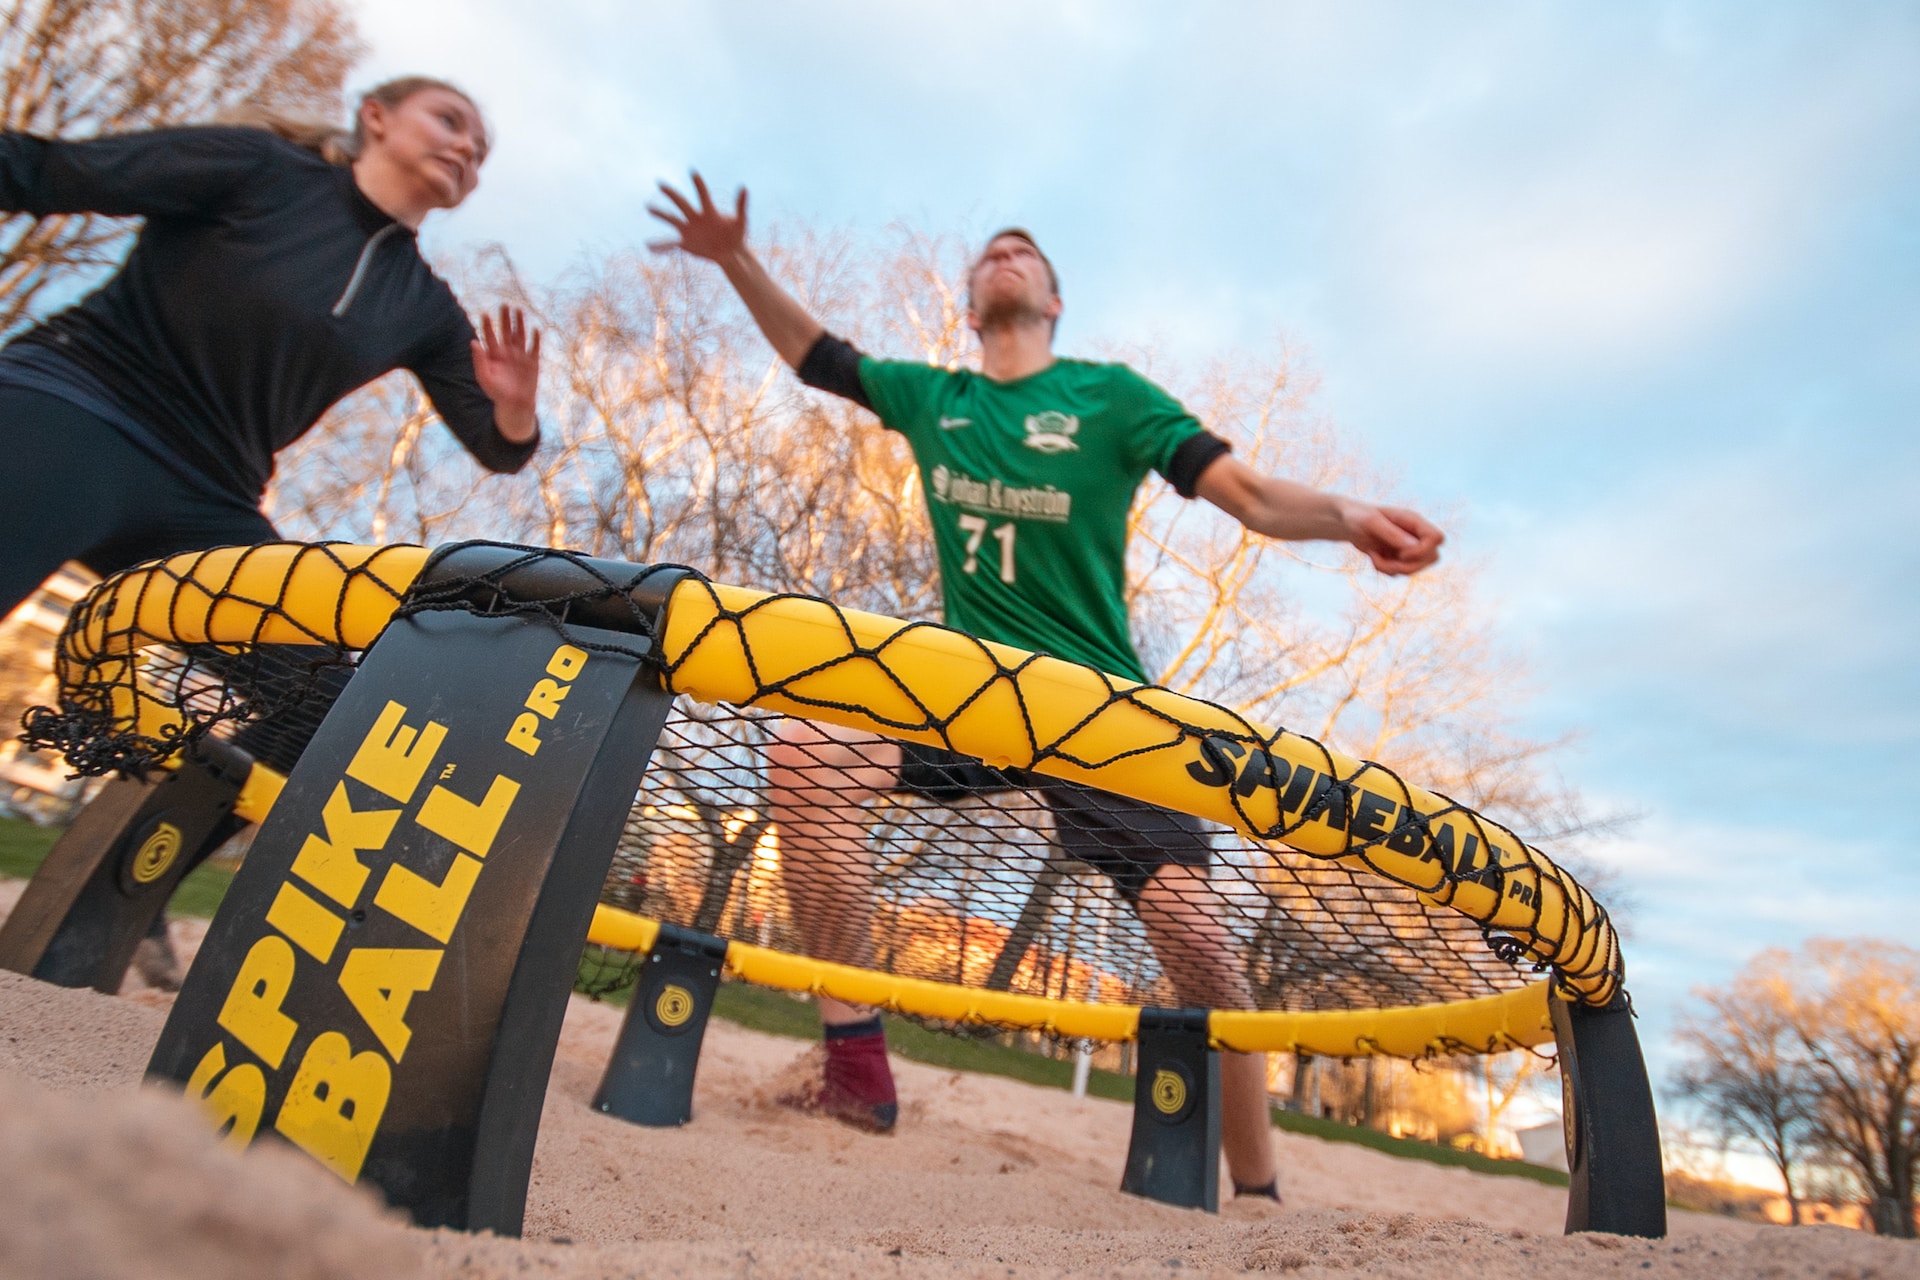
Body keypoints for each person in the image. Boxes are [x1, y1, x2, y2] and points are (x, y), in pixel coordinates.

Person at [649, 175, 1443, 1201]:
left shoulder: (1110, 397)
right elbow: (818, 358)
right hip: (966, 690)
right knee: (805, 751)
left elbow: (1245, 493)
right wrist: (735, 261)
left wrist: (1350, 514)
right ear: (970, 306)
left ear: (1056, 302)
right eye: (992, 251)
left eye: (1028, 251)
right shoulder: (939, 398)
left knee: (1200, 944)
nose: (1008, 254)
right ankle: (856, 1068)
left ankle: (1257, 1191)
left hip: (1101, 709)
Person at [0, 76, 543, 625]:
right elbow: (43, 171)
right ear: (377, 118)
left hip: (209, 495)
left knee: (320, 701)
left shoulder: (424, 305)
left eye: (478, 154)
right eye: (449, 121)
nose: (466, 150)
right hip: (76, 404)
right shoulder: (262, 165)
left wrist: (515, 406)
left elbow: (501, 447)